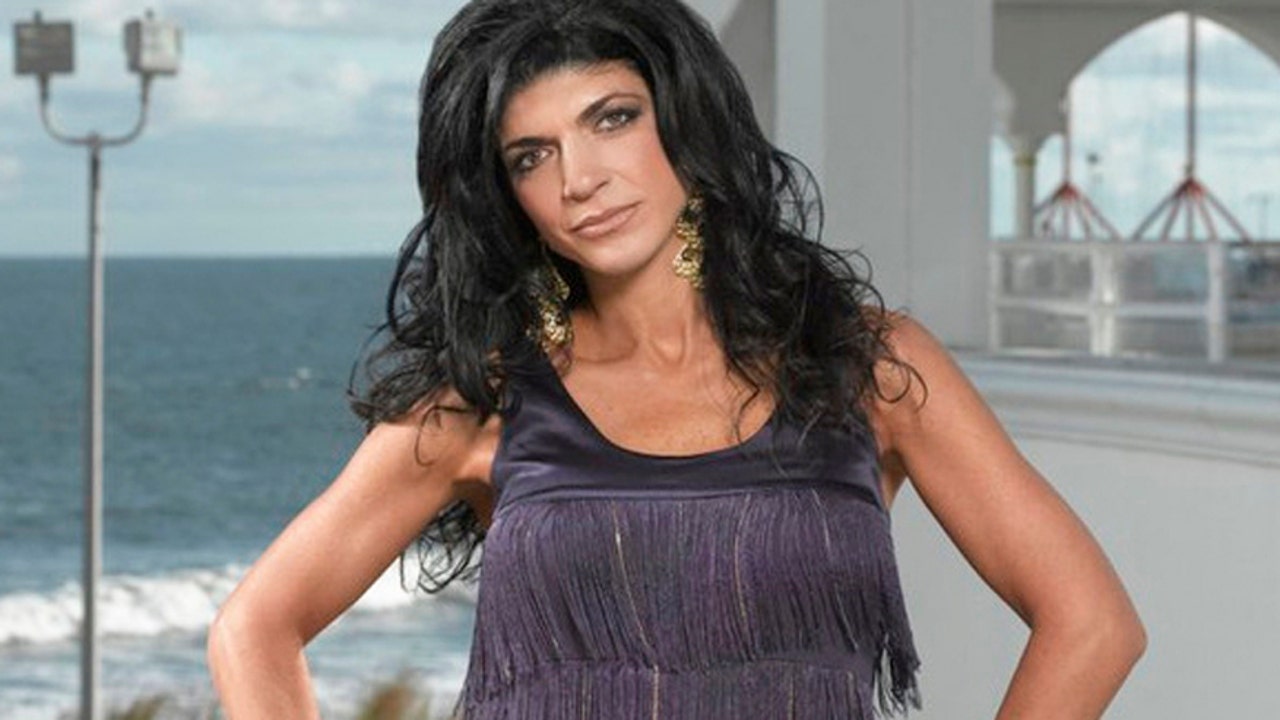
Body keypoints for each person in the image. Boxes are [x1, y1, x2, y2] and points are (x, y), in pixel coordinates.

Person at [207, 0, 1147, 718]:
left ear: (687, 126)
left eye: (612, 119)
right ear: (507, 195)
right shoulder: (482, 402)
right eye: (532, 156)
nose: (580, 179)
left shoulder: (868, 365)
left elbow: (1093, 623)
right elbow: (255, 627)